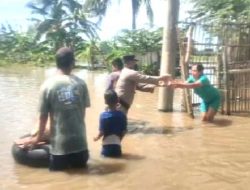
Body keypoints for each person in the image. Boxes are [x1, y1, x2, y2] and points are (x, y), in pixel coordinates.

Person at [19, 47, 90, 171]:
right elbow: (81, 114)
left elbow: (43, 118)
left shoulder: (47, 85)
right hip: (81, 146)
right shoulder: (81, 84)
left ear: (56, 63)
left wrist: (36, 139)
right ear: (73, 62)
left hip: (60, 150)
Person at [94, 90, 127, 157]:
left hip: (106, 146)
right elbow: (124, 131)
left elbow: (101, 132)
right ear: (117, 100)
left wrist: (96, 138)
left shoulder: (103, 116)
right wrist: (118, 140)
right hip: (117, 146)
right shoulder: (122, 115)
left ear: (105, 101)